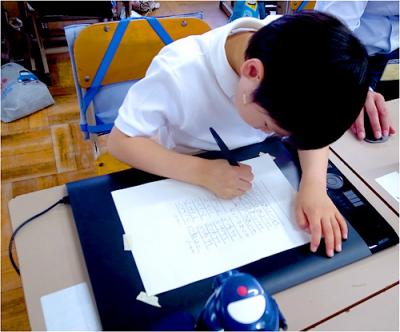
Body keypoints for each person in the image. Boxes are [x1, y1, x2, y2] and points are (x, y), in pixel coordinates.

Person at [108, 12, 369, 257]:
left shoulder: (293, 50)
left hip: (257, 163)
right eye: (269, 126)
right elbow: (120, 142)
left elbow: (304, 126)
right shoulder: (177, 72)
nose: (269, 131)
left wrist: (313, 185)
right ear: (252, 72)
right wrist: (202, 172)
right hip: (185, 168)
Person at [315, 1, 398, 140]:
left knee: (383, 119)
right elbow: (330, 34)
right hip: (350, 59)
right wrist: (354, 88)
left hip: (394, 57)